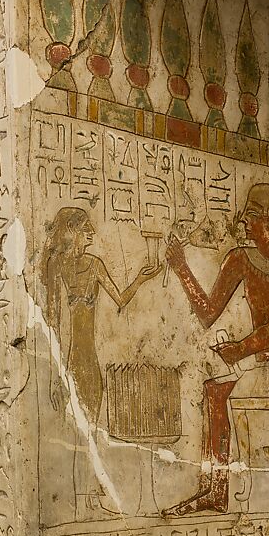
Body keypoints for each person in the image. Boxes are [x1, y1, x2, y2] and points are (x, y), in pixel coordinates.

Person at [162, 183, 269, 516]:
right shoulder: (240, 259)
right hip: (254, 366)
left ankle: (216, 492)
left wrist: (239, 349)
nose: (242, 221)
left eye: (252, 214)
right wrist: (182, 268)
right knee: (210, 389)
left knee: (216, 393)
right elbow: (207, 311)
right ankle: (212, 490)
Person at [41, 207, 160, 516]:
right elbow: (52, 320)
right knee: (77, 433)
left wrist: (140, 279)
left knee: (91, 430)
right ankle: (79, 500)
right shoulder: (57, 265)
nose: (92, 234)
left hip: (89, 360)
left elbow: (120, 299)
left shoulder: (95, 264)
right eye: (86, 229)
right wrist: (56, 375)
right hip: (69, 361)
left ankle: (90, 498)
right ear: (71, 230)